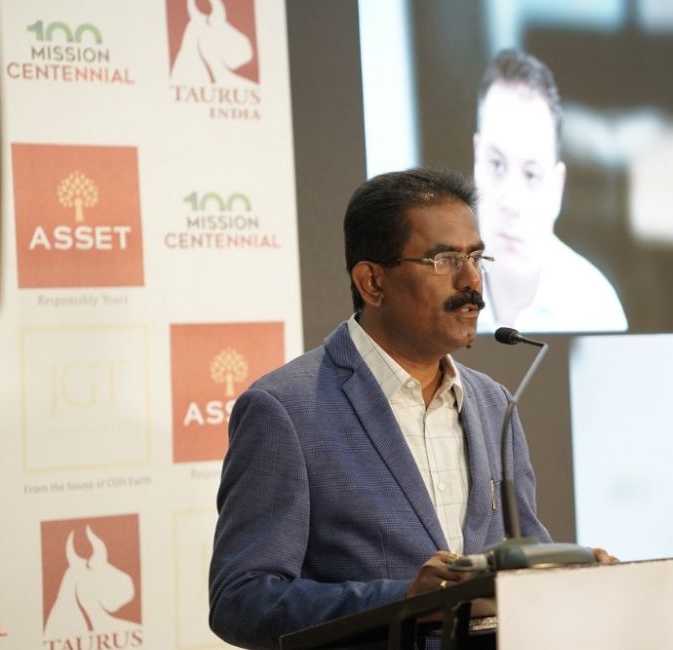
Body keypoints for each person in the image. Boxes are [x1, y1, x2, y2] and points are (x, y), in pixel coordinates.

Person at [208, 169, 606, 649]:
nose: (472, 280)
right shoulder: (285, 410)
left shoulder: (492, 401)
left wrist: (574, 574)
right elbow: (241, 601)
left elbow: (522, 556)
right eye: (445, 259)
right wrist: (404, 602)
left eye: (477, 256)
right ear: (372, 282)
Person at [472, 48, 627, 333]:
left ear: (557, 187)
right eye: (496, 164)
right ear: (476, 158)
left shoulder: (596, 310)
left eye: (531, 174)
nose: (511, 201)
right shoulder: (429, 302)